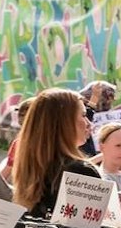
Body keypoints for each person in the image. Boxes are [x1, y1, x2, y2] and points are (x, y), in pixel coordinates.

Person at [8, 88, 100, 218]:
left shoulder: (30, 165)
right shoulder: (82, 172)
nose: (89, 124)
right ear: (64, 123)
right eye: (84, 115)